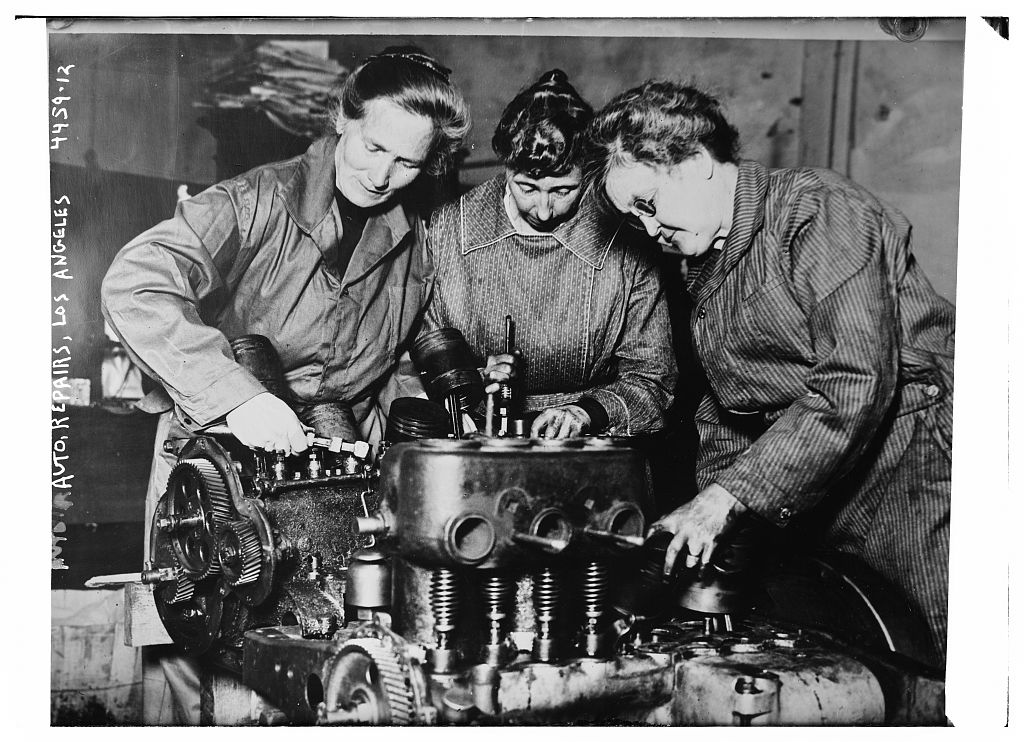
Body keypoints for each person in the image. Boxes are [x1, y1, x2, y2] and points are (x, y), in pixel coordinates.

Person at [101, 46, 469, 723]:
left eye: (408, 161)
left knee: (308, 672)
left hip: (322, 496)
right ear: (341, 119)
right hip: (212, 481)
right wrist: (239, 397)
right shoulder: (256, 201)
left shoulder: (413, 246)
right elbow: (136, 281)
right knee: (190, 665)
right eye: (373, 146)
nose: (383, 175)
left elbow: (395, 369)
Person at [585, 81, 954, 666]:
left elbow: (854, 380)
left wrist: (727, 498)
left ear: (699, 163)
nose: (647, 229)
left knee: (941, 662)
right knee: (856, 655)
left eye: (648, 203)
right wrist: (707, 510)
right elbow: (728, 407)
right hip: (821, 481)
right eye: (633, 218)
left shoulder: (818, 210)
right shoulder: (706, 262)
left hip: (911, 464)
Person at [423, 69, 676, 438]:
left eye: (562, 190)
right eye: (526, 187)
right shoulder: (451, 229)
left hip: (593, 443)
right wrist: (470, 385)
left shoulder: (626, 243)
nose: (543, 211)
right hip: (477, 436)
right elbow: (425, 344)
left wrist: (585, 413)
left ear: (588, 173)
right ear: (505, 166)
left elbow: (653, 379)